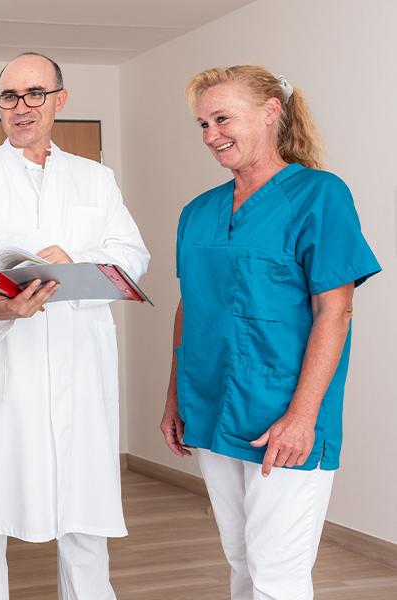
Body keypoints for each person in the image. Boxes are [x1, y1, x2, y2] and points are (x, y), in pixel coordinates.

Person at [0, 52, 150, 600]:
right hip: (1, 365)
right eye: (9, 97)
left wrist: (70, 261)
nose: (21, 107)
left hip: (77, 363)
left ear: (60, 99)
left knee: (84, 514)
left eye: (34, 94)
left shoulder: (96, 179)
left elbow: (131, 258)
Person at [161, 65, 381, 600]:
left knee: (277, 571)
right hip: (210, 404)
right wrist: (175, 396)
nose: (212, 135)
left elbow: (336, 312)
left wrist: (302, 416)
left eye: (222, 119)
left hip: (283, 412)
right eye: (203, 124)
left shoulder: (319, 196)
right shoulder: (198, 211)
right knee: (241, 560)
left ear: (270, 113)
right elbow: (191, 306)